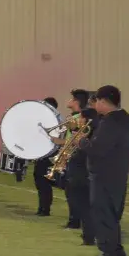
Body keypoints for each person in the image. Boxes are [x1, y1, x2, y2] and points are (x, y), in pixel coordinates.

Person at [78, 85, 129, 256]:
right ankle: (117, 250)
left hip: (104, 175)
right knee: (112, 215)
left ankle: (108, 253)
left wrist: (82, 141)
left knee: (103, 214)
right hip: (117, 174)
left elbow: (97, 149)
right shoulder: (124, 119)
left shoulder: (111, 122)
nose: (95, 106)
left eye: (96, 101)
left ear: (103, 101)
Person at [53, 89, 90, 229]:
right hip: (70, 156)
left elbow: (77, 140)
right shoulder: (74, 117)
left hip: (76, 158)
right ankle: (76, 219)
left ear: (76, 101)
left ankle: (75, 221)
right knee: (70, 190)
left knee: (74, 191)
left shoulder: (80, 118)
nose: (68, 101)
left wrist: (59, 142)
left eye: (71, 99)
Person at [68, 108, 98, 246]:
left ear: (86, 119)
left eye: (81, 117)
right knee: (85, 207)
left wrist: (77, 142)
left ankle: (89, 236)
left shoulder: (90, 133)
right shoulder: (88, 132)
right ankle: (89, 234)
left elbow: (85, 152)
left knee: (86, 207)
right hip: (82, 173)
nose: (78, 120)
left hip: (83, 173)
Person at [33, 97, 62, 217]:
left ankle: (44, 209)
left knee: (44, 182)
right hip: (43, 155)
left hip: (49, 155)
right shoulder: (51, 119)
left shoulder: (56, 120)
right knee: (41, 182)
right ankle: (43, 207)